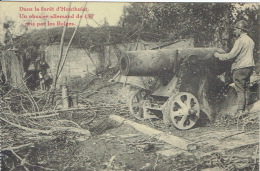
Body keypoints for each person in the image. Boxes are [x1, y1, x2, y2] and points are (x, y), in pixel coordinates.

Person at [214, 20, 255, 116]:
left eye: (236, 29)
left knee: (239, 89)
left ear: (241, 30)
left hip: (240, 67)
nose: (235, 32)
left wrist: (218, 55)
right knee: (246, 87)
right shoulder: (250, 40)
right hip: (249, 67)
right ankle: (246, 109)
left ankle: (240, 111)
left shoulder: (240, 41)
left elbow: (231, 55)